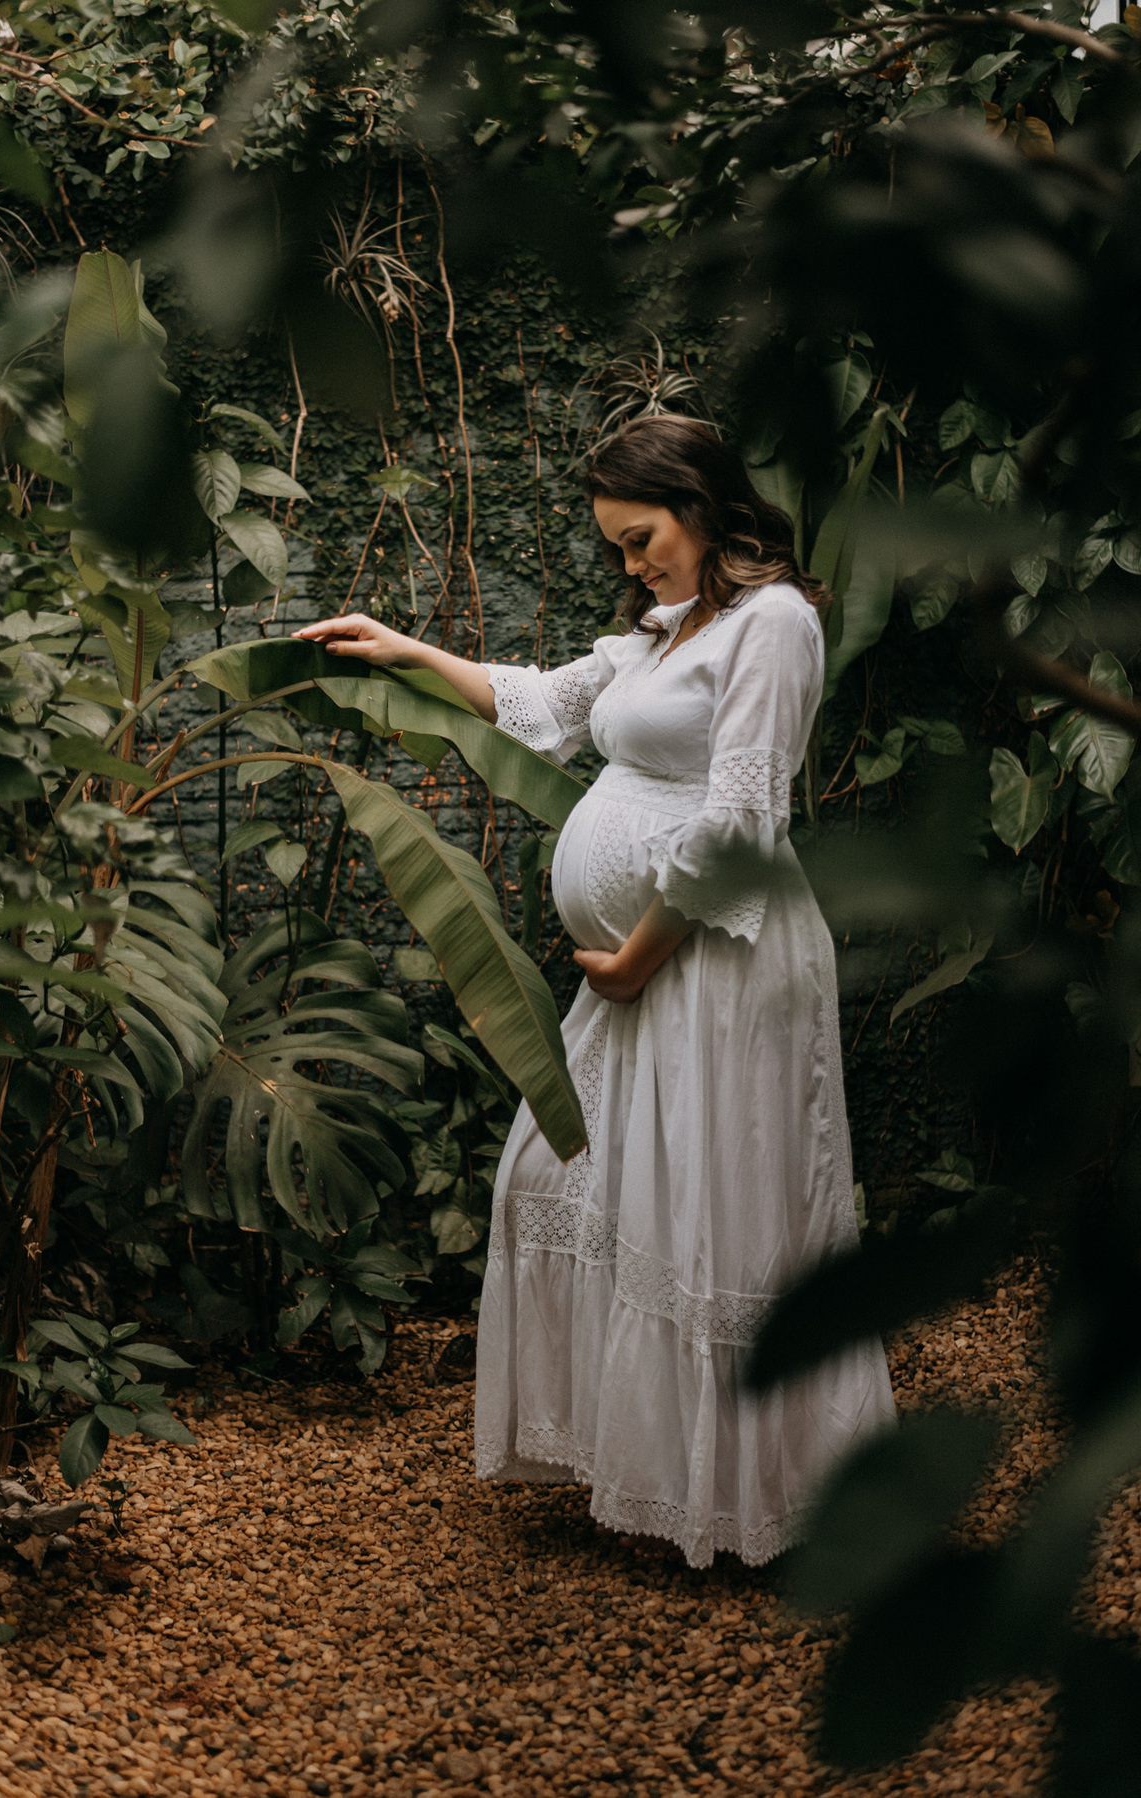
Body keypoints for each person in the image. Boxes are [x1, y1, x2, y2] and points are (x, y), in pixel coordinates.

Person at [294, 415, 896, 1567]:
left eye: (640, 538)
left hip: (718, 960)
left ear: (704, 506)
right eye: (618, 548)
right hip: (651, 973)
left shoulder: (773, 627)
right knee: (568, 1186)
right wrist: (402, 647)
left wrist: (638, 955)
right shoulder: (669, 633)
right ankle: (661, 1473)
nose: (631, 566)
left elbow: (742, 823)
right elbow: (548, 706)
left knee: (719, 1212)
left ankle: (764, 1503)